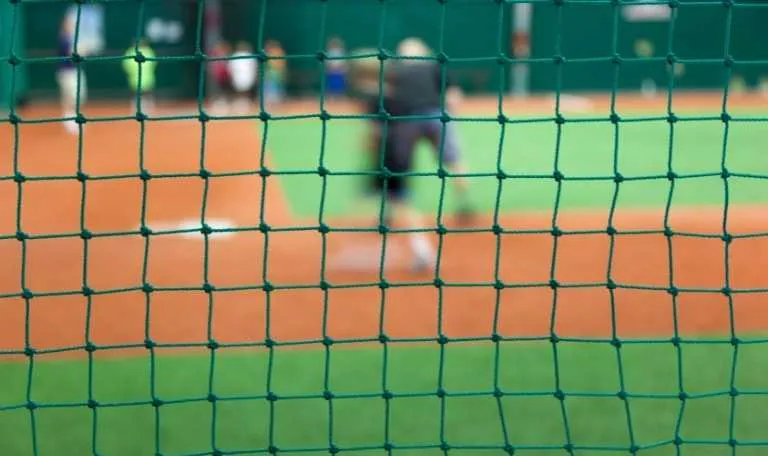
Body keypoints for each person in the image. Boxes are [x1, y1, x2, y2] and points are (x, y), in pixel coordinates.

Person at [389, 37, 475, 224]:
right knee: (454, 161)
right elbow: (454, 95)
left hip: (406, 119)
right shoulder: (433, 66)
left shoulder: (395, 71)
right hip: (436, 116)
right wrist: (451, 118)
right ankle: (465, 207)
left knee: (397, 167)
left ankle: (391, 214)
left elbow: (387, 99)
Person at [56, 15, 84, 134]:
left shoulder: (71, 38)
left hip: (74, 71)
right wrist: (82, 51)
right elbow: (71, 54)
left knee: (79, 95)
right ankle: (68, 117)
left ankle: (71, 116)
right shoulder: (64, 39)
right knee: (69, 95)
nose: (72, 26)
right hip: (66, 72)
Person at [122, 38, 157, 113]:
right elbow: (126, 64)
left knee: (146, 93)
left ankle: (147, 109)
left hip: (146, 76)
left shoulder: (147, 50)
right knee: (137, 93)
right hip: (135, 76)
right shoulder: (131, 51)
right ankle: (138, 109)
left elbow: (153, 62)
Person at [226, 41, 258, 114]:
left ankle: (243, 102)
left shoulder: (237, 55)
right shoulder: (247, 55)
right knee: (242, 90)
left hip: (242, 75)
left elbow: (230, 67)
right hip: (242, 75)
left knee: (242, 90)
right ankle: (242, 102)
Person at [209, 40, 233, 113]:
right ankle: (220, 101)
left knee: (226, 88)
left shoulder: (225, 55)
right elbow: (213, 66)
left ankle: (225, 101)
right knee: (219, 88)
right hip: (219, 76)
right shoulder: (215, 56)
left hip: (225, 75)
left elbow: (227, 66)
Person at [262, 40, 286, 107]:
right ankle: (273, 104)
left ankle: (275, 104)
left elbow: (280, 64)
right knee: (271, 90)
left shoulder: (276, 52)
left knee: (275, 91)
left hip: (275, 74)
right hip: (272, 75)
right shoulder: (269, 53)